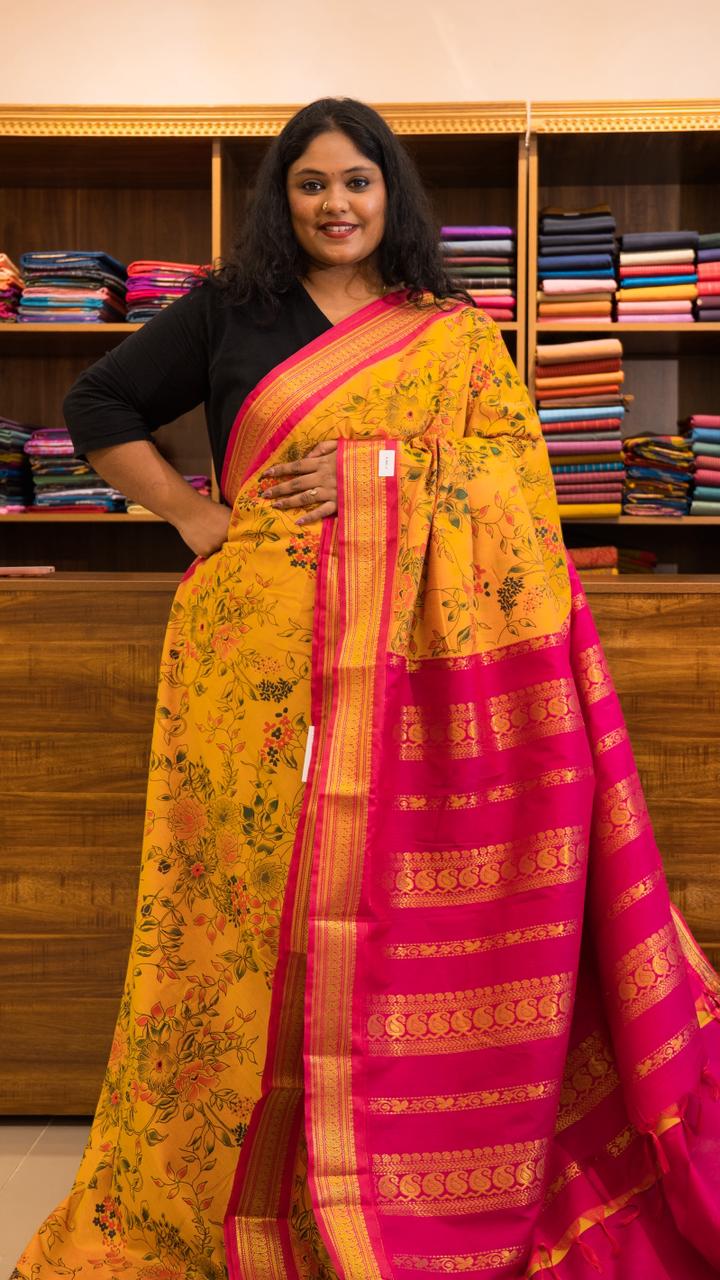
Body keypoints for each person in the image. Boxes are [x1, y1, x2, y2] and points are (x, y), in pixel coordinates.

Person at [13, 98, 720, 1280]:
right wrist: (191, 511)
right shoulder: (233, 307)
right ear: (281, 197)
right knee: (253, 912)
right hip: (256, 666)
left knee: (378, 913)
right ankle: (243, 1185)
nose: (336, 204)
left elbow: (515, 491)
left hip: (411, 680)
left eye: (357, 181)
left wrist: (379, 475)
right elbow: (97, 403)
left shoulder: (451, 333)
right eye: (312, 184)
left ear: (392, 193)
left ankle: (378, 1172)